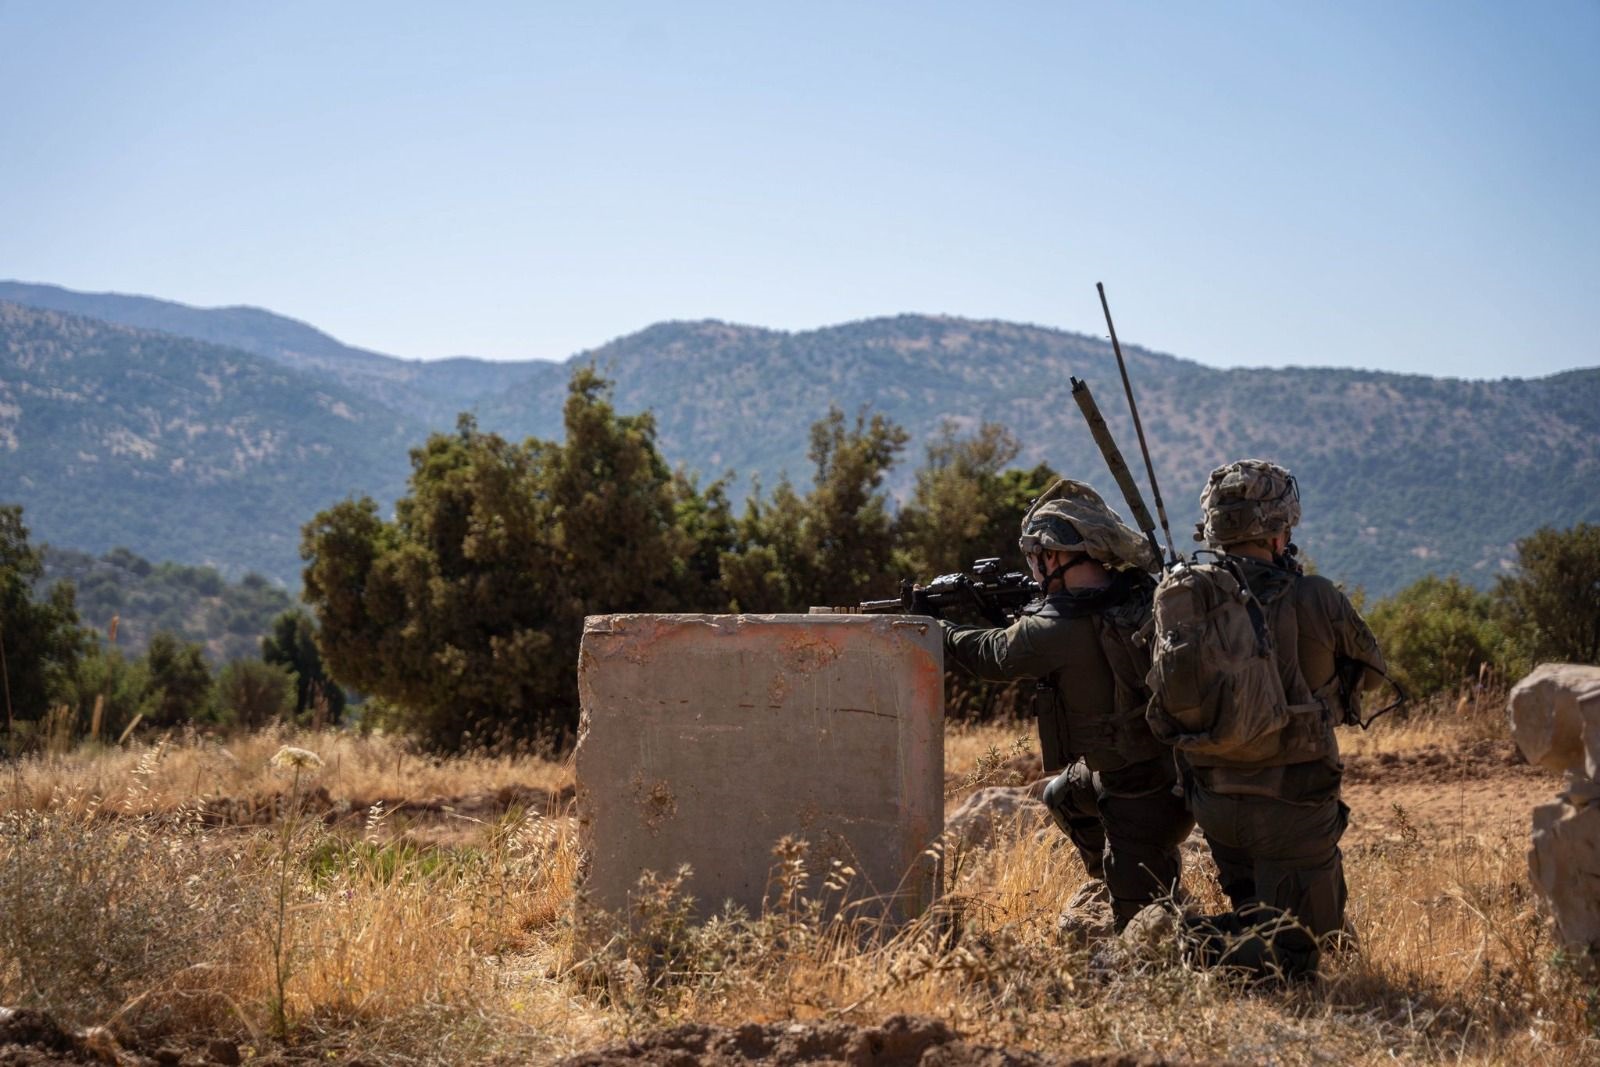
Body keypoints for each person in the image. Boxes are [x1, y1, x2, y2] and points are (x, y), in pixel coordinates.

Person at [934, 479, 1194, 929]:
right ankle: (1122, 879)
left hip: (1138, 799)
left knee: (1144, 934)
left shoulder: (1052, 629)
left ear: (1053, 556)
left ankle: (1146, 891)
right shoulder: (1142, 594)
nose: (1034, 569)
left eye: (1035, 557)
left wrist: (938, 630)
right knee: (1063, 795)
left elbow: (992, 656)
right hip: (1174, 768)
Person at [1172, 459, 1387, 965]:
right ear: (1278, 532)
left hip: (1213, 798)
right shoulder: (1316, 596)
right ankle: (1178, 948)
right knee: (1306, 954)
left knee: (1263, 915)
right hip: (1294, 800)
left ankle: (1233, 934)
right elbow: (1374, 675)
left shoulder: (1184, 597)